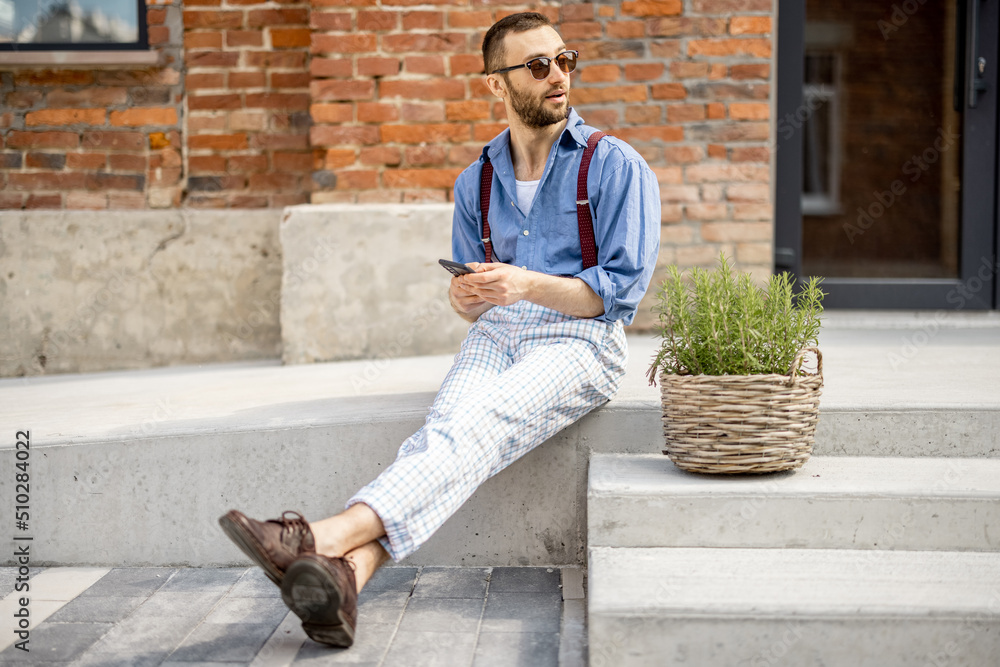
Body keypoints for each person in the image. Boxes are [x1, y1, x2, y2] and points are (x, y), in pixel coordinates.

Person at [218, 11, 660, 648]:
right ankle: (348, 576)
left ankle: (316, 538)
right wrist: (468, 297)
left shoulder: (616, 168)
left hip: (581, 340)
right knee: (449, 432)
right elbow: (473, 304)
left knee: (481, 423)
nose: (557, 75)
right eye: (537, 65)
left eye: (565, 60)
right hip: (497, 335)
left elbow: (618, 297)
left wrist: (524, 283)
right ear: (496, 84)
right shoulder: (475, 181)